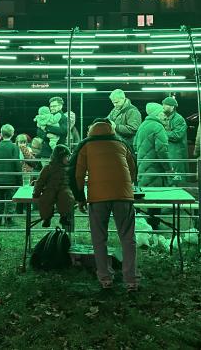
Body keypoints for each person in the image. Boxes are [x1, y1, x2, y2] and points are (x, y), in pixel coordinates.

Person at [72, 119, 139, 291]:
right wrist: (127, 185)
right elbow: (133, 169)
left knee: (99, 238)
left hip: (98, 197)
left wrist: (80, 197)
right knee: (128, 238)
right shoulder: (121, 143)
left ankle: (105, 278)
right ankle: (131, 279)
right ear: (111, 129)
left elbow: (77, 174)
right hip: (123, 195)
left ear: (91, 129)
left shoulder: (86, 145)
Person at [133, 103, 172, 230]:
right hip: (155, 168)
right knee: (156, 198)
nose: (164, 115)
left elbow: (134, 145)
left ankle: (145, 224)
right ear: (156, 114)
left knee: (147, 196)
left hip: (143, 167)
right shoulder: (158, 127)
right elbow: (162, 150)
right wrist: (168, 168)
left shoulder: (143, 125)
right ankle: (154, 225)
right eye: (162, 113)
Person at [33, 144, 74, 228]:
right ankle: (46, 218)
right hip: (50, 188)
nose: (68, 159)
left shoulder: (69, 169)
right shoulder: (48, 168)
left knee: (67, 198)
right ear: (59, 158)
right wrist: (36, 193)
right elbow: (40, 181)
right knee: (45, 200)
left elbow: (74, 181)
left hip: (64, 189)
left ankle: (64, 216)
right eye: (66, 157)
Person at [0, 124, 22, 226]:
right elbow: (16, 163)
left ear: (1, 133)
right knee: (10, 200)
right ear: (12, 134)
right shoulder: (14, 147)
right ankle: (9, 220)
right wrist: (19, 178)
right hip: (11, 178)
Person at [162, 96, 188, 175]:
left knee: (176, 176)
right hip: (168, 152)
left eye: (166, 105)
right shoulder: (163, 117)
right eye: (163, 104)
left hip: (176, 153)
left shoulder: (179, 119)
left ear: (172, 107)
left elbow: (177, 135)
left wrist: (161, 133)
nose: (163, 106)